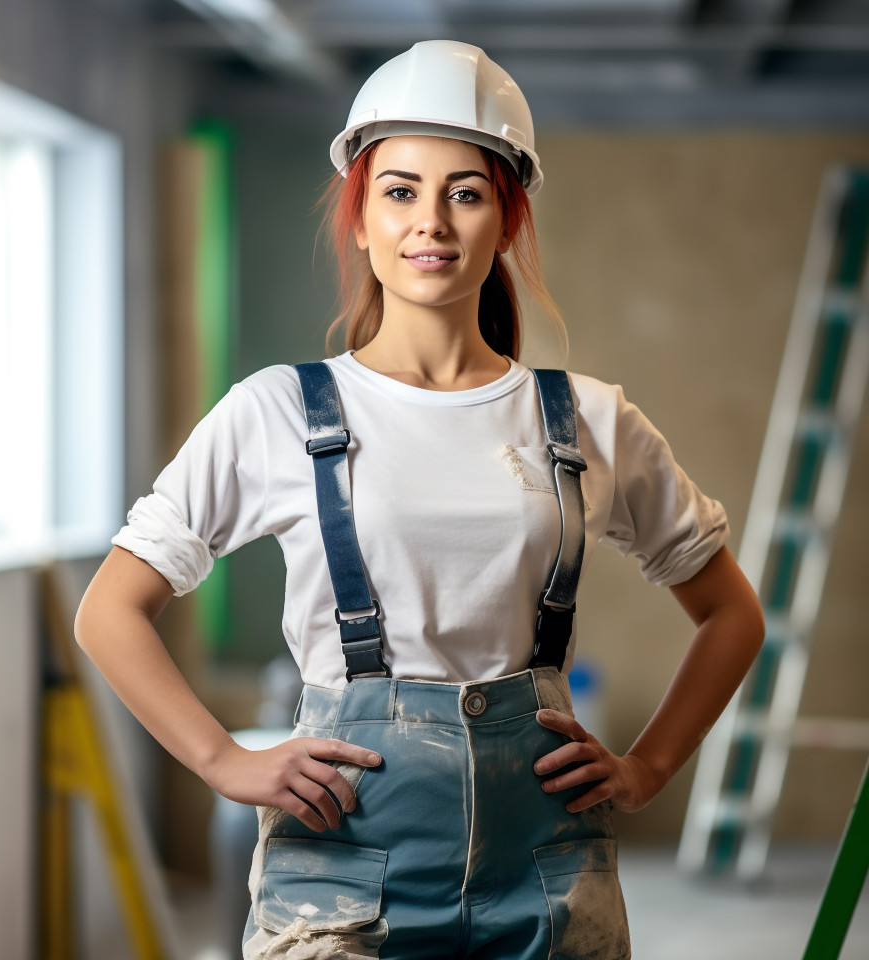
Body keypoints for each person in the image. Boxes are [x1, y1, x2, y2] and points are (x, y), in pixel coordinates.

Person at [75, 40, 765, 960]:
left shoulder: (588, 421)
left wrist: (647, 768)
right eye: (399, 190)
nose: (429, 221)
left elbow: (731, 613)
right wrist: (221, 759)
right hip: (340, 870)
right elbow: (109, 611)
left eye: (465, 193)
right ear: (359, 216)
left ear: (508, 219)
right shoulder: (277, 412)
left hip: (548, 873)